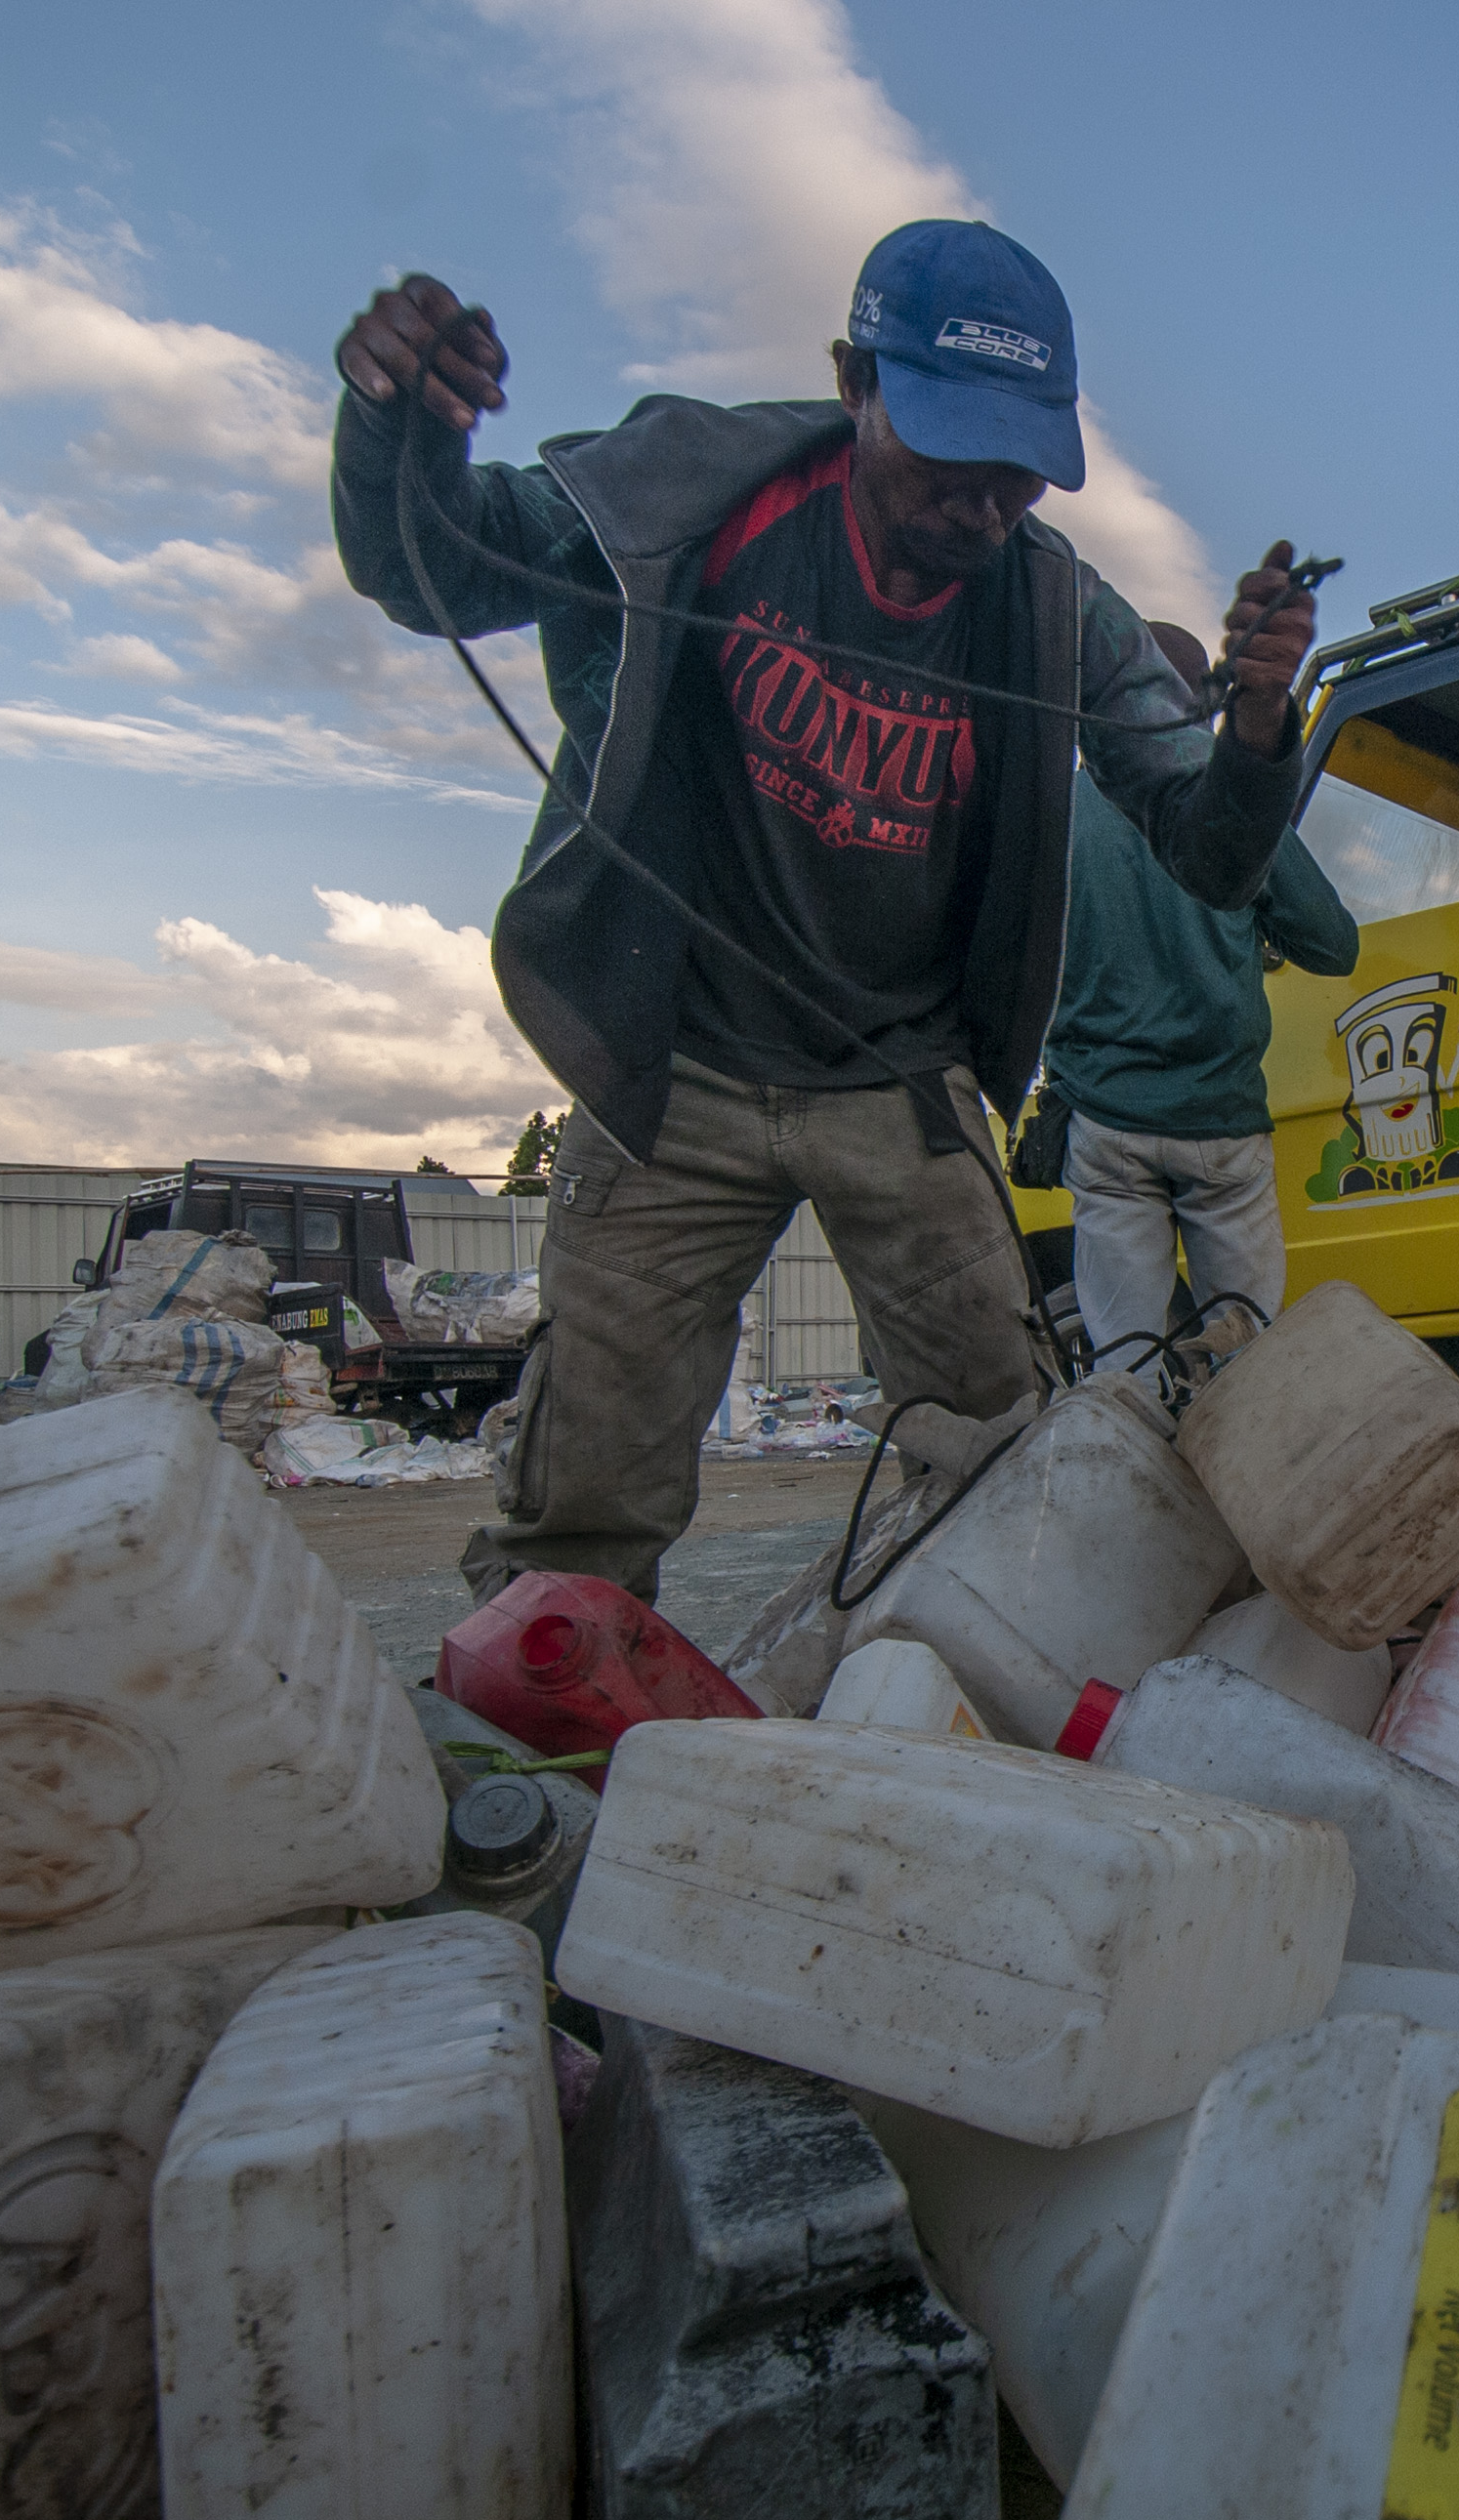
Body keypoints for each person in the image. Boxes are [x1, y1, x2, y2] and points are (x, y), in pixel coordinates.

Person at [327, 219, 1315, 1603]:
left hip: (899, 1080)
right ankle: (549, 1706)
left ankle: (983, 1689)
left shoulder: (1055, 608)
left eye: (1016, 471)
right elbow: (430, 560)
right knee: (586, 1491)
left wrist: (1258, 728)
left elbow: (1205, 846)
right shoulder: (695, 494)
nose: (981, 505)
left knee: (1002, 1453)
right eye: (949, 453)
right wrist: (402, 427)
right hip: (675, 1066)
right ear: (856, 383)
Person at [1045, 621, 1358, 1363]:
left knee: (1125, 1366)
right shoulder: (1232, 806)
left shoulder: (1049, 816)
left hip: (1104, 1124)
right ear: (1201, 709)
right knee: (1252, 1362)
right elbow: (1334, 944)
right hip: (1221, 1123)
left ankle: (1133, 1428)